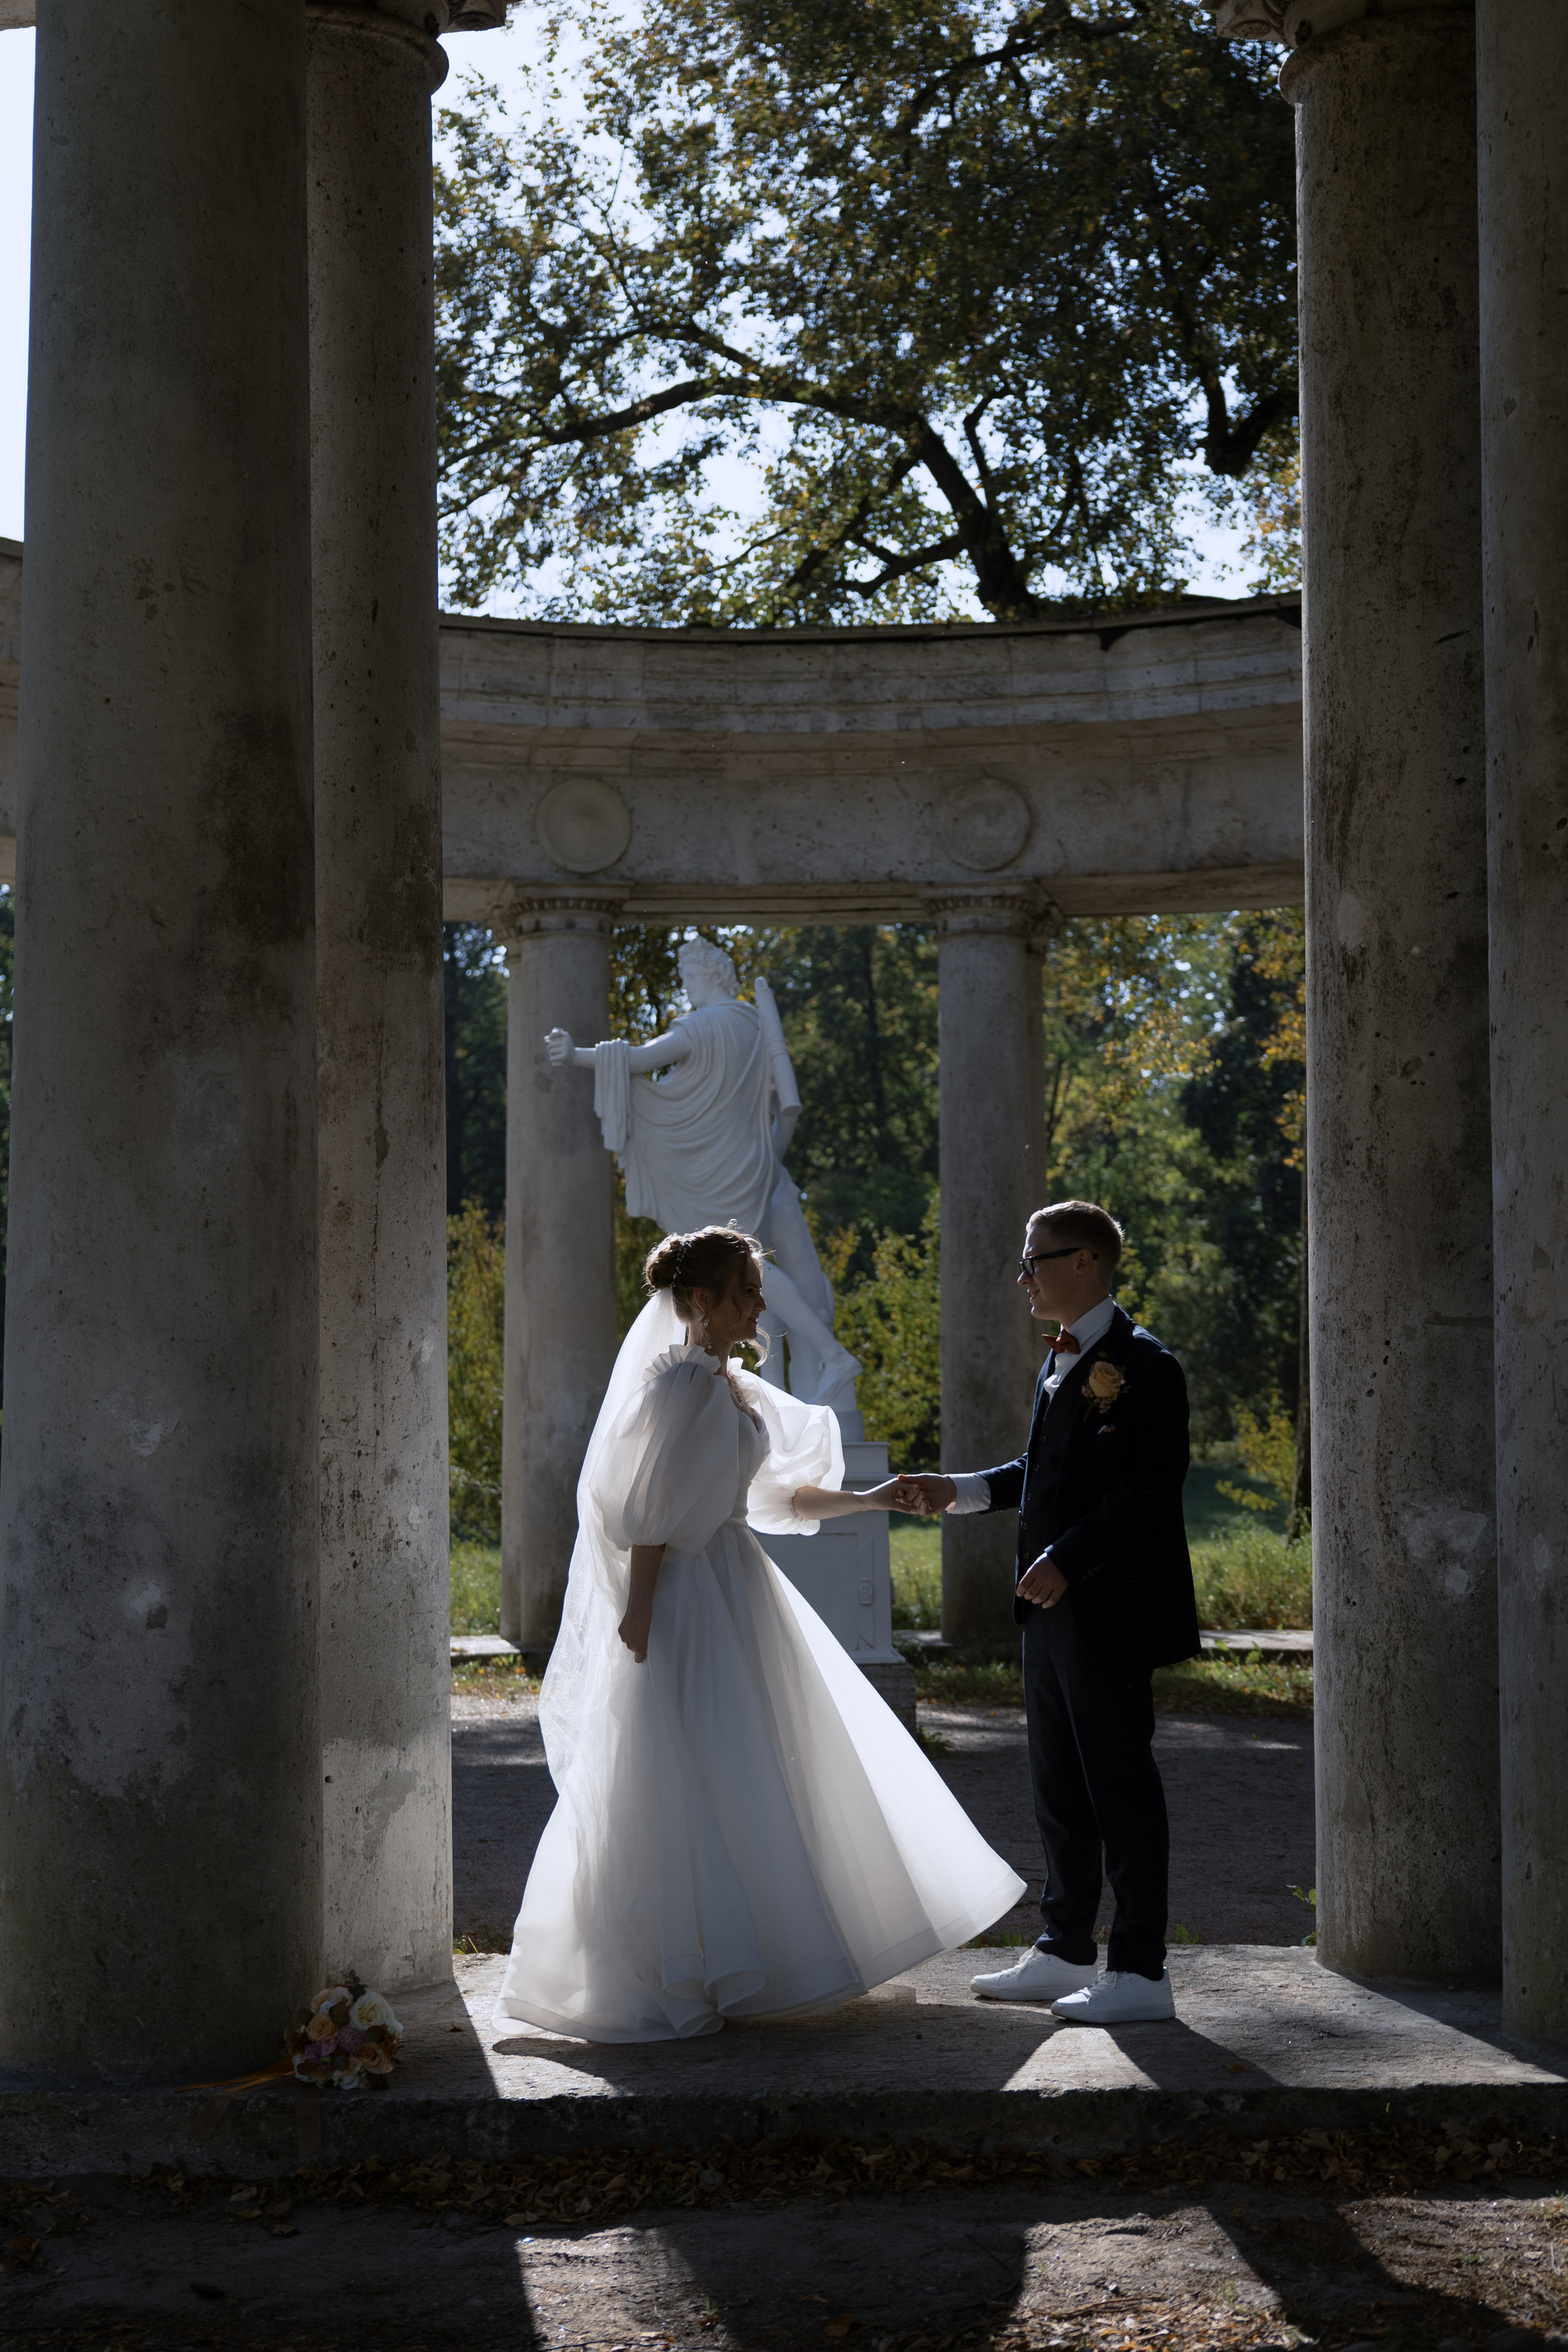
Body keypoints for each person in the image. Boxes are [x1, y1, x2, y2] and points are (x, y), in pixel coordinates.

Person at [497, 1224, 1023, 2043]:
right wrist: (637, 1611)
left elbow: (783, 1500)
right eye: (746, 1289)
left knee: (757, 1764)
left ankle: (760, 1957)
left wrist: (874, 1499)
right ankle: (670, 1964)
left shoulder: (727, 1386)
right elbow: (649, 1515)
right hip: (685, 1599)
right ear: (699, 1302)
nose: (760, 1302)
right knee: (680, 1766)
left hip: (734, 1585)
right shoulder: (682, 1391)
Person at [900, 1200, 1200, 2026]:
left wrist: (1068, 1560)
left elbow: (1151, 1487)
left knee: (1121, 1789)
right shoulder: (1063, 1360)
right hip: (1053, 1615)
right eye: (1024, 1259)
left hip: (1109, 1612)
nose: (1023, 1275)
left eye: (1036, 1259)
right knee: (1058, 1788)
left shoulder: (1148, 1366)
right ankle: (1065, 1946)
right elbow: (1042, 1468)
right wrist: (956, 1490)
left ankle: (1140, 1971)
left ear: (1088, 1263)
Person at [544, 938, 859, 1411]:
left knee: (752, 1267)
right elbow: (781, 1105)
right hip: (752, 1159)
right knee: (752, 1265)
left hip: (719, 1165)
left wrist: (576, 1055)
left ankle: (834, 1356)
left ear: (709, 976)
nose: (686, 987)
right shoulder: (754, 1024)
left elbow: (638, 1059)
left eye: (689, 977)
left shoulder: (706, 1026)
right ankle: (781, 1389)